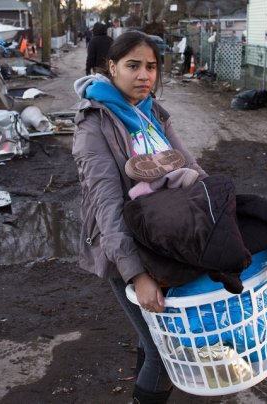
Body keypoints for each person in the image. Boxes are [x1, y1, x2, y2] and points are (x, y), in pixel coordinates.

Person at [72, 31, 207, 403]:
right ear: (111, 67)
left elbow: (191, 168)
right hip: (124, 250)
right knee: (167, 353)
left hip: (162, 238)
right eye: (133, 66)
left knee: (150, 340)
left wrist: (221, 209)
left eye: (151, 66)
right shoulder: (93, 125)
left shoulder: (152, 114)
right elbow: (107, 207)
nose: (144, 75)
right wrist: (138, 274)